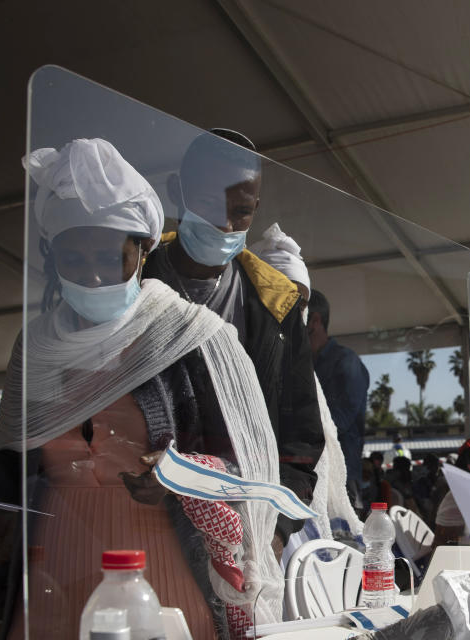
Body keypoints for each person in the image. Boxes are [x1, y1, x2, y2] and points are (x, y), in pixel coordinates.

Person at [0, 139, 285, 638]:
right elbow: (20, 452)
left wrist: (181, 475)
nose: (93, 276)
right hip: (58, 560)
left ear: (143, 251)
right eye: (74, 259)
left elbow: (250, 463)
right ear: (51, 258)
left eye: (110, 257)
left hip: (160, 563)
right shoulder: (38, 344)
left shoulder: (190, 336)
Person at [143, 129, 325, 549]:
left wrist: (275, 532)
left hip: (247, 533)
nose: (224, 225)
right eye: (208, 204)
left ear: (257, 208)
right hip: (143, 528)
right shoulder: (132, 282)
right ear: (177, 193)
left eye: (241, 212)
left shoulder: (276, 307)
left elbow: (300, 441)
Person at [249, 224, 364, 546]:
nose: (289, 315)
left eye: (297, 305)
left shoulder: (342, 364)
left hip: (303, 496)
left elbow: (323, 430)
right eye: (280, 300)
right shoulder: (244, 360)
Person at [307, 289, 370, 498]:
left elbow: (336, 423)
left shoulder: (346, 363)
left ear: (315, 320)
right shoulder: (304, 363)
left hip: (340, 482)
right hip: (311, 476)